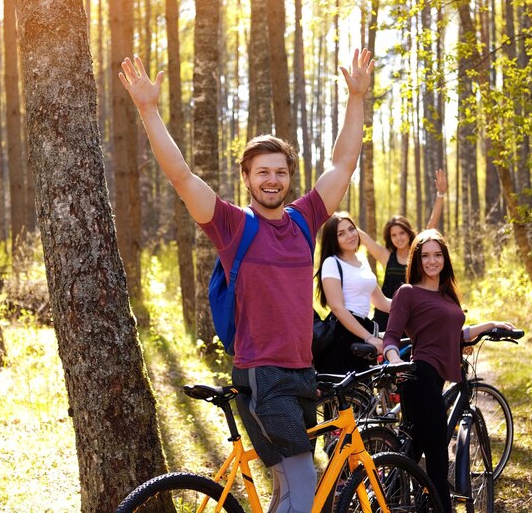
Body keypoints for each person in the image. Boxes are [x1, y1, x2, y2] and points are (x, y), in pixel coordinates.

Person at [119, 48, 374, 513]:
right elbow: (181, 176)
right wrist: (148, 110)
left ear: (289, 177)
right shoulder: (233, 227)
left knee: (286, 490)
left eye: (280, 172)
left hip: (303, 371)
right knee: (303, 484)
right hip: (262, 373)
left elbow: (342, 164)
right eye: (263, 173)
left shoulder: (305, 218)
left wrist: (356, 98)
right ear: (248, 179)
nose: (272, 180)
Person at [382, 229, 515, 512]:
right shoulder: (408, 293)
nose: (432, 261)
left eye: (437, 255)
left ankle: (385, 501)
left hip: (436, 378)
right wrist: (395, 361)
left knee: (413, 452)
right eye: (426, 255)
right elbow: (391, 337)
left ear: (445, 258)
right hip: (419, 377)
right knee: (439, 464)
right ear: (417, 260)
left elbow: (458, 333)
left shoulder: (446, 295)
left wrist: (491, 324)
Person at [359, 169, 448, 330]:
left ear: (408, 233)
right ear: (390, 238)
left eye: (402, 233)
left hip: (413, 316)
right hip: (385, 316)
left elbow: (432, 225)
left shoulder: (418, 254)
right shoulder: (387, 257)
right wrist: (338, 216)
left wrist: (440, 195)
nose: (399, 238)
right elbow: (365, 239)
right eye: (394, 235)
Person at [313, 212, 390, 374]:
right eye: (341, 234)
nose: (350, 235)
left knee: (365, 393)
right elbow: (338, 308)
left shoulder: (362, 262)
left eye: (351, 229)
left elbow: (381, 302)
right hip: (343, 334)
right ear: (333, 239)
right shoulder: (332, 263)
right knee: (348, 396)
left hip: (361, 329)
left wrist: (415, 305)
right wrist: (368, 337)